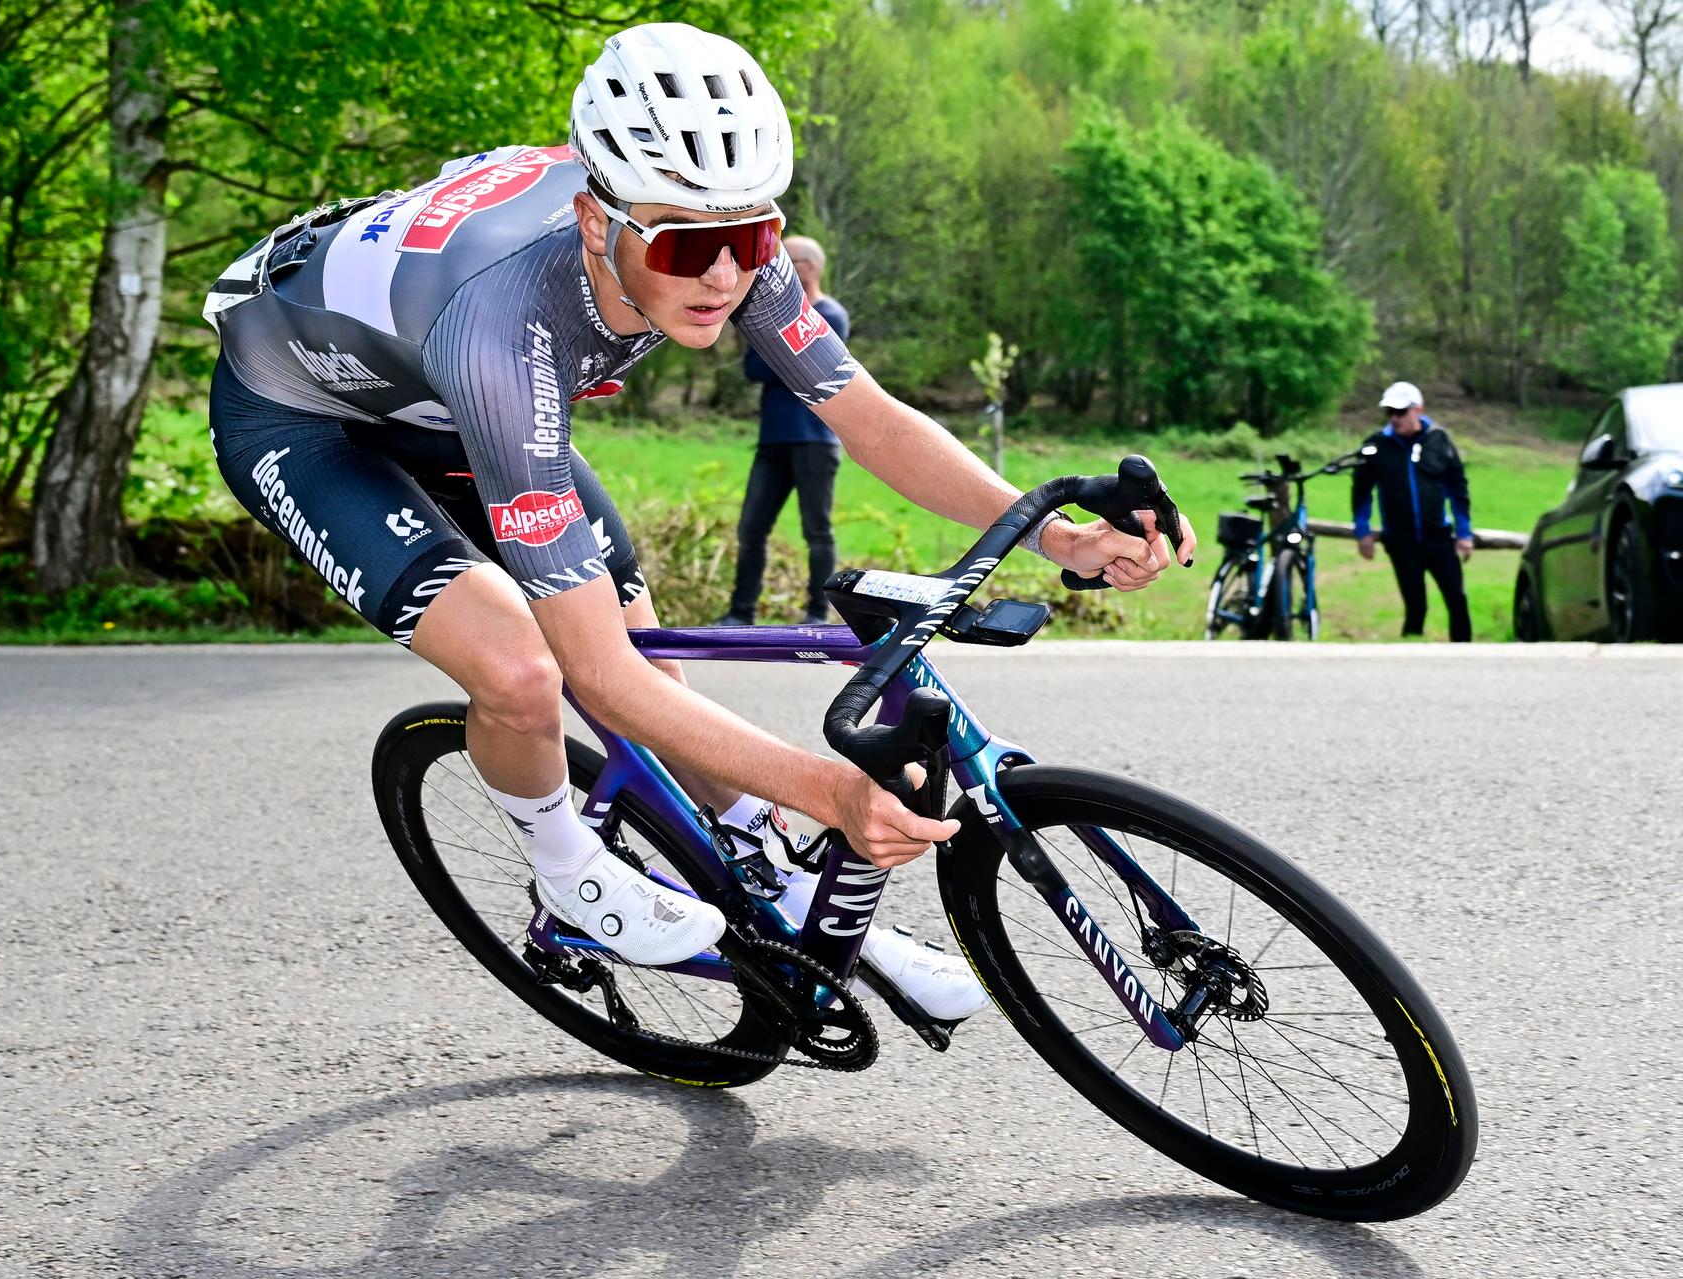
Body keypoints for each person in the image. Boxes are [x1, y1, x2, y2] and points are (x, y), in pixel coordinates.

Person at [201, 22, 1195, 1019]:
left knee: (647, 651)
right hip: (310, 420)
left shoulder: (717, 240)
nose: (726, 276)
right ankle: (566, 873)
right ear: (600, 225)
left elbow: (869, 419)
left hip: (455, 402)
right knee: (525, 667)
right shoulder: (504, 327)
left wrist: (1055, 533)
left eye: (751, 237)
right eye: (689, 245)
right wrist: (831, 793)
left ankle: (769, 871)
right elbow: (594, 676)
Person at [716, 235, 848, 625]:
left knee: (816, 531)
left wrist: (782, 358)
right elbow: (754, 369)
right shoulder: (768, 317)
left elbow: (813, 365)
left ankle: (817, 613)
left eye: (784, 259)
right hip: (772, 441)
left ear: (808, 267)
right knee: (751, 529)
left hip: (814, 441)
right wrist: (785, 357)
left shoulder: (831, 315)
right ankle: (741, 613)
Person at [1351, 381, 1475, 642]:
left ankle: (1465, 656)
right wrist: (1363, 531)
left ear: (1418, 410)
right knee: (1416, 605)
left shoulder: (1439, 441)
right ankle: (1409, 656)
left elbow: (1458, 489)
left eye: (1400, 412)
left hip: (1439, 538)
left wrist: (1464, 533)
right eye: (1390, 413)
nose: (1395, 419)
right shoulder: (1376, 445)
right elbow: (1361, 491)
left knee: (1457, 600)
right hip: (1401, 540)